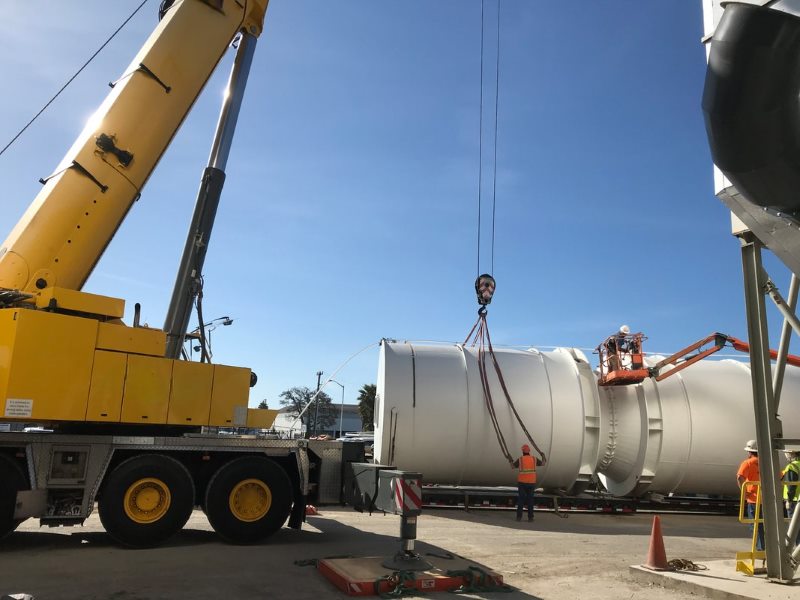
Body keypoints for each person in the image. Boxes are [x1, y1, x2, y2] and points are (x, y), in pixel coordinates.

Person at [737, 439, 764, 551]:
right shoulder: (767, 462)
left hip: (754, 499)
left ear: (749, 452)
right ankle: (766, 548)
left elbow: (740, 477)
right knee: (764, 524)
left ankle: (760, 548)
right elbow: (780, 476)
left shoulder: (747, 463)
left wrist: (745, 492)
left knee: (755, 525)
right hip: (767, 499)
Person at [512, 444, 544, 522]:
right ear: (529, 451)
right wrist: (543, 456)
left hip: (522, 483)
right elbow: (543, 463)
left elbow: (512, 466)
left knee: (521, 500)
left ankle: (519, 517)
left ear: (522, 451)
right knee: (530, 501)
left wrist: (510, 460)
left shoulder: (520, 459)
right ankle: (530, 518)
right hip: (531, 483)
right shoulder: (534, 458)